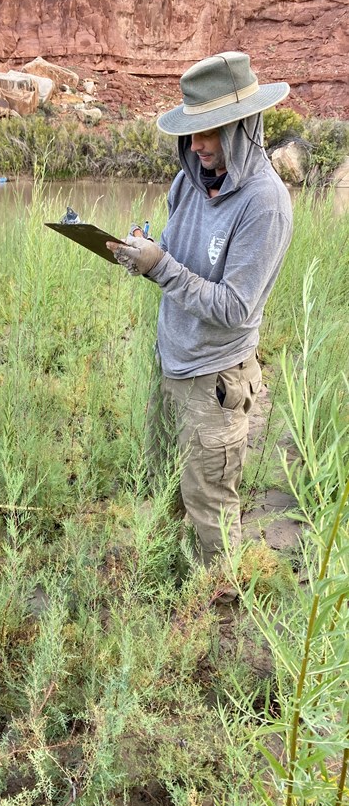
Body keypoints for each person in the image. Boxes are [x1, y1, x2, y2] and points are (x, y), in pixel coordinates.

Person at [107, 51, 293, 569]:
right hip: (171, 364)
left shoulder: (265, 203)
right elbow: (175, 252)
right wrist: (144, 252)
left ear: (246, 125)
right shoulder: (189, 179)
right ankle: (169, 586)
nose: (199, 144)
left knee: (210, 507)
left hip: (215, 379)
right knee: (166, 483)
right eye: (194, 131)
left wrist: (159, 266)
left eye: (212, 131)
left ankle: (215, 613)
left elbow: (235, 307)